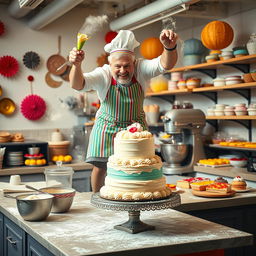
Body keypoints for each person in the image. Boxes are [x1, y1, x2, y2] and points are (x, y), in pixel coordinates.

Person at [69, 29, 178, 192]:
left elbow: (165, 64)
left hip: (136, 130)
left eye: (127, 66)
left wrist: (169, 48)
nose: (122, 70)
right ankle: (98, 199)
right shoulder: (104, 74)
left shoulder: (141, 69)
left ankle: (134, 198)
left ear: (134, 63)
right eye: (118, 66)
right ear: (110, 65)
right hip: (107, 128)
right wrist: (76, 65)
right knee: (101, 167)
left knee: (137, 169)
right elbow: (77, 84)